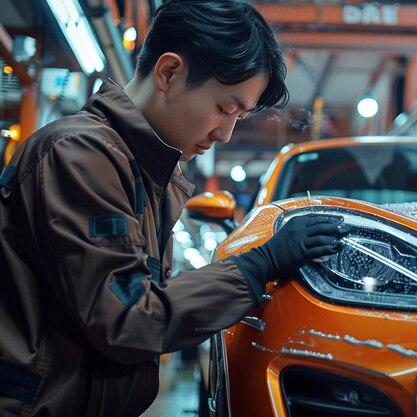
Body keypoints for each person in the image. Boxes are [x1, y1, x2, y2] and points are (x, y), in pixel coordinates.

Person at [0, 1, 347, 416]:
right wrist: (259, 265)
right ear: (169, 72)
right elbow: (129, 318)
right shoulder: (80, 154)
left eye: (239, 117)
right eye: (224, 108)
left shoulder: (145, 174)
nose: (225, 133)